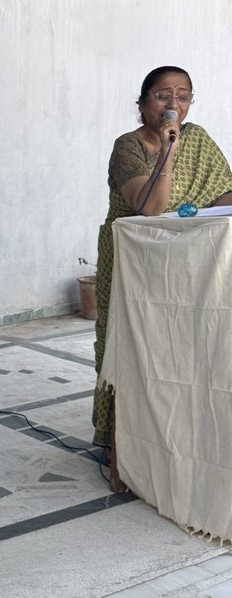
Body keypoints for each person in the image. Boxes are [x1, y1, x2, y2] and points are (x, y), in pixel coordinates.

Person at [93, 67, 232, 451]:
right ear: (142, 104)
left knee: (179, 344)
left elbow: (220, 195)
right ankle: (120, 439)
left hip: (186, 259)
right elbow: (150, 207)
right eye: (162, 95)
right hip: (133, 261)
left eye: (183, 96)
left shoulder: (199, 140)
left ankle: (173, 431)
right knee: (129, 344)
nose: (174, 104)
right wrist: (168, 151)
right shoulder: (128, 147)